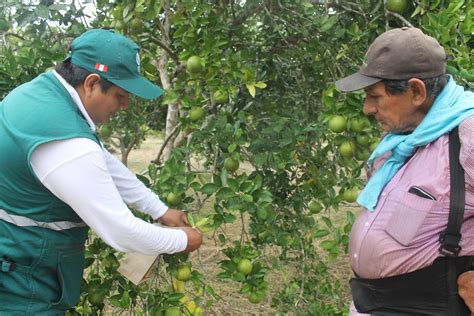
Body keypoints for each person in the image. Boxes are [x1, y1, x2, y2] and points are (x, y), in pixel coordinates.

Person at [0, 29, 203, 313]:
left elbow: (104, 162)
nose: (125, 105)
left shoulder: (41, 94)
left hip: (15, 260)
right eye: (120, 95)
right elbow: (121, 231)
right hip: (24, 285)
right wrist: (184, 239)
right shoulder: (67, 142)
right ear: (92, 83)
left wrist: (159, 209)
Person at [335, 27, 474, 315]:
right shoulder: (403, 139)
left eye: (375, 96)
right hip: (375, 302)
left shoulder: (467, 135)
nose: (367, 109)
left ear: (415, 91)